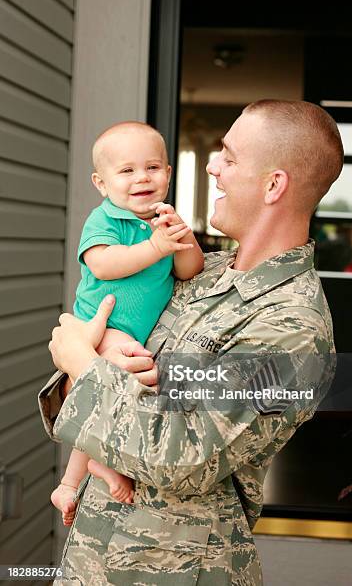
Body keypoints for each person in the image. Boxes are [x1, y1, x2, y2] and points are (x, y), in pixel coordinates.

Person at [39, 99, 343, 585]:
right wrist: (89, 361)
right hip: (97, 561)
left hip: (175, 571)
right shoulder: (206, 273)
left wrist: (80, 361)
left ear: (273, 185)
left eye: (229, 154)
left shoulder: (292, 328)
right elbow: (111, 369)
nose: (212, 165)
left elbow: (180, 456)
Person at [50, 121, 204, 526]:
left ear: (168, 175)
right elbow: (102, 263)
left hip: (130, 330)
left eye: (153, 167)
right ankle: (95, 467)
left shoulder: (165, 221)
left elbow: (189, 270)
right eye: (127, 171)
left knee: (115, 388)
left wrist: (182, 239)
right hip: (102, 322)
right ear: (102, 183)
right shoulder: (105, 220)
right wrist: (154, 247)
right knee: (122, 378)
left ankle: (71, 481)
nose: (142, 178)